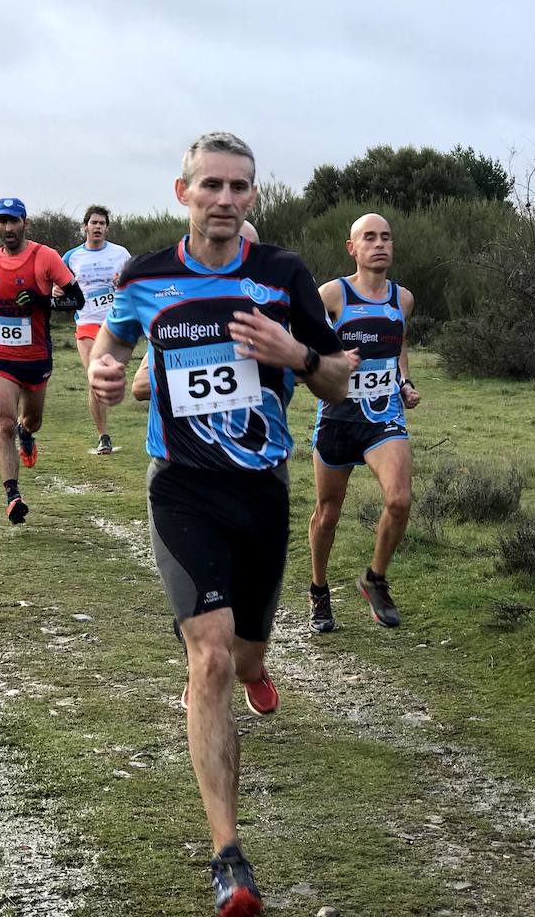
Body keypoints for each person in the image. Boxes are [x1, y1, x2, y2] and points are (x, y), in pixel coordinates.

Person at [88, 132, 349, 917]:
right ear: (183, 192)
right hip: (184, 490)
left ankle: (257, 663)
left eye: (240, 188)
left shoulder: (284, 275)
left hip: (261, 490)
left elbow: (340, 383)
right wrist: (102, 369)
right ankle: (228, 855)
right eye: (212, 186)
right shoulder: (146, 276)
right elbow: (110, 349)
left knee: (243, 654)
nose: (226, 200)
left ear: (253, 197)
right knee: (208, 659)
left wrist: (295, 351)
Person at [306, 213, 421, 632]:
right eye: (369, 238)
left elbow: (399, 345)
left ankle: (375, 579)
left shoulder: (402, 298)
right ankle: (319, 589)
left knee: (400, 499)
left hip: (382, 415)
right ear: (352, 248)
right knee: (327, 514)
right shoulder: (331, 295)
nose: (380, 244)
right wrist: (332, 363)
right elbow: (307, 347)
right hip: (337, 417)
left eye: (386, 237)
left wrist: (404, 382)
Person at [0, 198, 84, 525]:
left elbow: (77, 299)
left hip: (35, 358)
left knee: (31, 421)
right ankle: (12, 495)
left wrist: (42, 301)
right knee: (2, 423)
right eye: (2, 222)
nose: (8, 228)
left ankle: (26, 433)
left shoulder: (46, 258)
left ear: (25, 224)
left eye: (13, 221)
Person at [130, 220, 259, 404]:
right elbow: (140, 385)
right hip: (175, 432)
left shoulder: (266, 309)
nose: (239, 259)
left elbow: (302, 368)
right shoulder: (179, 314)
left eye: (250, 250)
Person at [62, 205, 131, 454]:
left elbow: (134, 283)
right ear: (85, 226)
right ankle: (103, 435)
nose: (98, 227)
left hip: (115, 323)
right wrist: (57, 291)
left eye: (102, 223)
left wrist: (121, 282)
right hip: (87, 323)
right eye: (94, 223)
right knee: (95, 378)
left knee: (110, 377)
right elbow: (57, 284)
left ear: (107, 228)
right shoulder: (71, 257)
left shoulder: (120, 253)